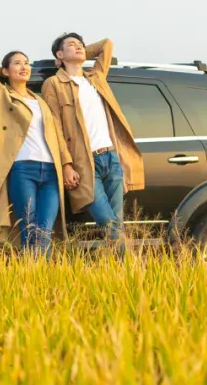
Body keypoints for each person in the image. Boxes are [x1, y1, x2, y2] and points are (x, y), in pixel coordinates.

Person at [0, 51, 77, 255]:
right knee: (29, 228)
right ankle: (33, 274)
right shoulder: (1, 95)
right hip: (23, 169)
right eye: (17, 64)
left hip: (51, 171)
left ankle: (38, 275)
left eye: (26, 63)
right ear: (5, 71)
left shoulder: (40, 101)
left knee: (45, 230)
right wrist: (0, 72)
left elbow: (57, 135)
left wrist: (66, 165)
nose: (24, 67)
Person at [41, 34, 144, 245]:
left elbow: (107, 45)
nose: (79, 47)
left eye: (81, 45)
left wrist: (77, 53)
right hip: (84, 162)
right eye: (71, 45)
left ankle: (117, 271)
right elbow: (55, 128)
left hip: (111, 157)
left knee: (117, 223)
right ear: (59, 55)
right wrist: (67, 164)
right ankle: (130, 265)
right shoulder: (54, 84)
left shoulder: (96, 78)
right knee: (108, 222)